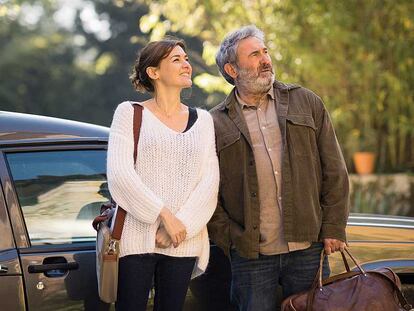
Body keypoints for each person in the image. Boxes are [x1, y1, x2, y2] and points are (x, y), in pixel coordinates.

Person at [208, 25, 350, 310]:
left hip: (308, 248)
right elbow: (208, 189)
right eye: (254, 55)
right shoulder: (214, 122)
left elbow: (334, 169)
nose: (265, 60)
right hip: (251, 256)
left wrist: (333, 226)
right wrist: (231, 239)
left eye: (265, 51)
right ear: (232, 70)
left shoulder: (306, 102)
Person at [107, 37, 219, 311]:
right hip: (136, 240)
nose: (186, 65)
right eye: (176, 60)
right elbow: (120, 174)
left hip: (182, 241)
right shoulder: (129, 113)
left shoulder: (203, 120)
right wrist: (165, 216)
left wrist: (180, 226)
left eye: (187, 59)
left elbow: (210, 182)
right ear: (154, 72)